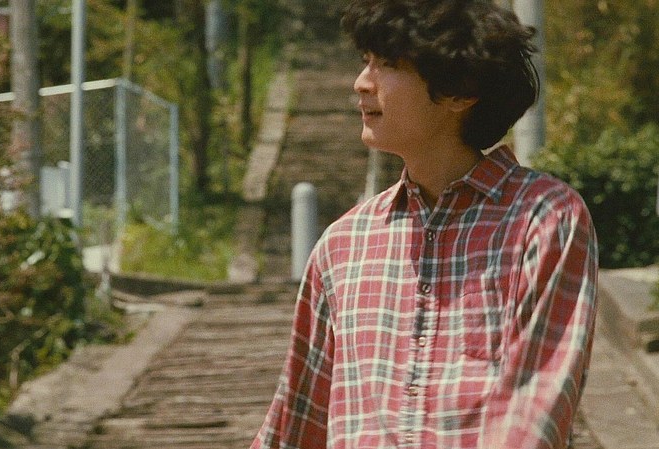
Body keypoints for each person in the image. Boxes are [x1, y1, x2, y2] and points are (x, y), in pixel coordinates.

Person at [251, 0, 598, 448]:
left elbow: (536, 406)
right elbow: (297, 421)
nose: (361, 82)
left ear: (460, 90)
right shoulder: (343, 245)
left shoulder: (544, 219)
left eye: (388, 64)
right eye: (365, 61)